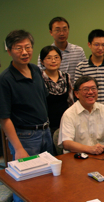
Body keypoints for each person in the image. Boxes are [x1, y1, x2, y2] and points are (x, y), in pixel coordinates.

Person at [0, 30, 54, 202]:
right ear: (8, 51)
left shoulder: (36, 70)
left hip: (45, 132)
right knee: (26, 185)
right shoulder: (5, 79)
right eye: (18, 48)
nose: (24, 52)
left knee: (47, 179)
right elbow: (4, 117)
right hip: (25, 137)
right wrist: (18, 148)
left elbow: (42, 101)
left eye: (28, 47)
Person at [37, 16, 86, 83]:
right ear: (51, 32)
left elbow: (84, 74)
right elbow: (40, 76)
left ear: (68, 30)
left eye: (64, 29)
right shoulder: (45, 53)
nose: (62, 33)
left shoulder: (78, 51)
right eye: (57, 30)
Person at [39, 45, 74, 135]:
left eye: (56, 57)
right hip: (46, 127)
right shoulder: (39, 78)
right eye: (49, 58)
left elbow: (70, 101)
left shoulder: (66, 77)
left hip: (65, 124)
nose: (53, 61)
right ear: (42, 62)